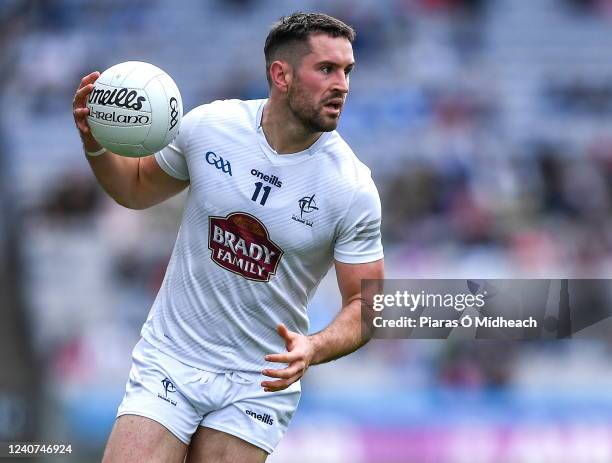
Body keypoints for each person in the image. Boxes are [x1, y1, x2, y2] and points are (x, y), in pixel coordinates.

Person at [72, 12, 384, 463]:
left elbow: (368, 306)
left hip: (259, 381)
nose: (343, 85)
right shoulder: (210, 127)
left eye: (347, 71)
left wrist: (313, 347)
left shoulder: (352, 188)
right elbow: (135, 189)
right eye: (327, 69)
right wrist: (95, 144)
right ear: (281, 74)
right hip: (172, 358)